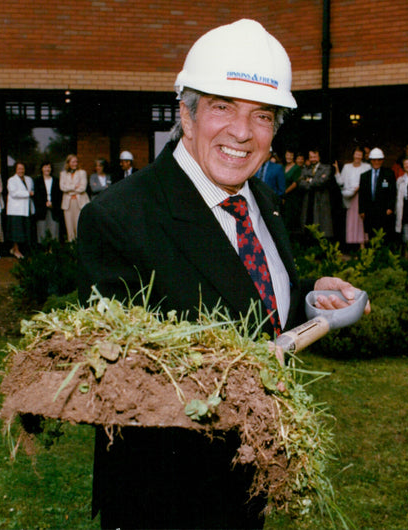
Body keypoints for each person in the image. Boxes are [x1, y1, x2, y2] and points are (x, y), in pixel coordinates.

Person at [76, 19, 365, 530]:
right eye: (222, 107)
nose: (241, 131)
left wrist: (306, 297)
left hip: (245, 481)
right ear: (185, 115)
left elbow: (244, 299)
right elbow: (116, 379)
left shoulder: (263, 201)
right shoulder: (121, 217)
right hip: (165, 498)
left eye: (262, 115)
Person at [299, 148, 340, 241]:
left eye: (315, 157)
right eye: (311, 157)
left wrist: (309, 180)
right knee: (308, 223)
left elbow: (322, 182)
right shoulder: (306, 168)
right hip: (308, 200)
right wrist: (313, 182)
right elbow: (301, 183)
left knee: (321, 225)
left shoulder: (326, 168)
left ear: (319, 157)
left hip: (320, 201)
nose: (313, 159)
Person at [358, 147, 396, 241]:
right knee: (371, 236)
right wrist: (361, 210)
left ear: (382, 161)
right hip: (370, 211)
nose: (376, 162)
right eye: (374, 160)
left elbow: (393, 192)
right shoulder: (364, 176)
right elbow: (361, 194)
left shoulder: (389, 174)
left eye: (379, 160)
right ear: (371, 160)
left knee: (384, 236)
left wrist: (390, 208)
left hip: (384, 211)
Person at [339, 146, 371, 250]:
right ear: (353, 155)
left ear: (362, 156)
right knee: (352, 221)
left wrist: (360, 188)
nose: (358, 156)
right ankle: (352, 246)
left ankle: (362, 245)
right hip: (350, 197)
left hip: (362, 197)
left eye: (360, 154)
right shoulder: (347, 167)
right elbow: (342, 182)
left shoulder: (367, 167)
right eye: (356, 154)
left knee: (362, 221)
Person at [6, 162, 35, 259]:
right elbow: (14, 193)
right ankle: (16, 250)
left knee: (25, 231)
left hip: (26, 209)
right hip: (15, 210)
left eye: (22, 168)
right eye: (19, 169)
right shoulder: (11, 180)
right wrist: (28, 193)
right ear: (15, 169)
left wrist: (30, 193)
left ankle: (18, 250)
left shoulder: (29, 179)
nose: (21, 171)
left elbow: (33, 191)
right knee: (16, 232)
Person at [60, 154, 88, 241]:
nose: (75, 163)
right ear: (68, 163)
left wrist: (69, 190)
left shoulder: (82, 172)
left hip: (79, 203)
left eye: (76, 161)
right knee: (69, 227)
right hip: (68, 204)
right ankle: (71, 249)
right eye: (73, 162)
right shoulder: (63, 174)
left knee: (78, 226)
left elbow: (83, 188)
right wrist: (74, 187)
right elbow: (62, 187)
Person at [33, 161, 63, 243]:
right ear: (42, 169)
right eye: (45, 167)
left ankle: (52, 251)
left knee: (54, 230)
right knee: (42, 231)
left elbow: (59, 195)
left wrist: (52, 203)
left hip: (54, 209)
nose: (47, 169)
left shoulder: (56, 180)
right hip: (41, 209)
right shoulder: (37, 180)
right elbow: (36, 195)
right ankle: (44, 251)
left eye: (49, 167)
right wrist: (44, 203)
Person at [283, 150, 305, 237]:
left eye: (291, 155)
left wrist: (284, 192)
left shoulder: (296, 168)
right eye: (287, 155)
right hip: (282, 197)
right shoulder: (283, 167)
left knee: (290, 219)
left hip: (291, 197)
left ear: (294, 157)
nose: (289, 157)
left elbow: (295, 183)